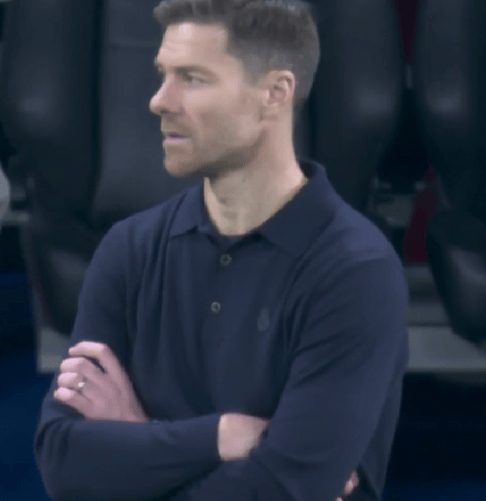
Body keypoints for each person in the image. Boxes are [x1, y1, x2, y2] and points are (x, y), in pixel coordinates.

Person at [33, 1, 409, 500]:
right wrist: (219, 436)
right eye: (163, 74)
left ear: (274, 94)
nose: (159, 100)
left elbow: (281, 489)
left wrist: (138, 436)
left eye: (192, 78)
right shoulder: (129, 249)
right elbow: (63, 462)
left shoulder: (355, 272)